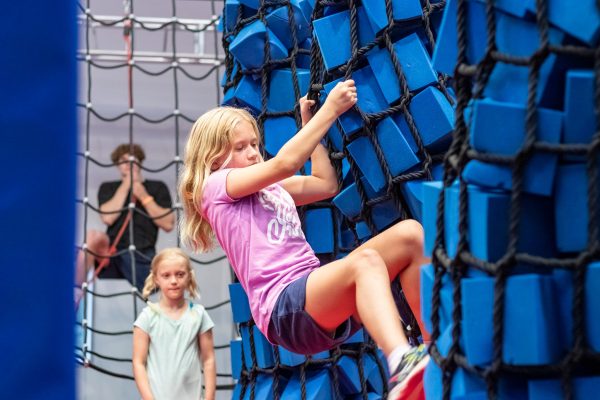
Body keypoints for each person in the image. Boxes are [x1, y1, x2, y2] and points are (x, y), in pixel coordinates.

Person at [179, 80, 430, 398]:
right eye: (240, 148)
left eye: (255, 144)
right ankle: (402, 362)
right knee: (365, 262)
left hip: (314, 299)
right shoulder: (215, 187)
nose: (253, 153)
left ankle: (431, 355)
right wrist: (331, 109)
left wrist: (311, 125)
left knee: (411, 235)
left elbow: (324, 184)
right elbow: (285, 163)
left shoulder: (269, 190)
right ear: (214, 159)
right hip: (283, 309)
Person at [75, 143, 174, 304]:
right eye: (123, 161)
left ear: (140, 163)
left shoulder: (157, 187)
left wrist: (143, 195)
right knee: (92, 236)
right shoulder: (108, 187)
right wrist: (127, 185)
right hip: (112, 252)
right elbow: (108, 217)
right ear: (117, 165)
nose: (128, 165)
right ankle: (75, 289)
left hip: (142, 255)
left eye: (132, 160)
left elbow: (168, 224)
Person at [132, 248, 216, 400]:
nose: (173, 281)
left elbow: (208, 359)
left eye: (180, 274)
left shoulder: (199, 315)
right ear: (156, 278)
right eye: (166, 275)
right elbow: (138, 362)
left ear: (189, 276)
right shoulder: (147, 317)